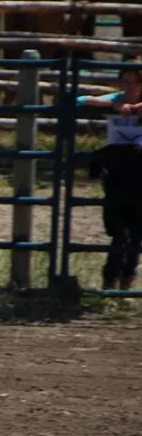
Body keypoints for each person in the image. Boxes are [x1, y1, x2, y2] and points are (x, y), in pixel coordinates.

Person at [78, 62, 142, 291]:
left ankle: (120, 278)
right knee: (121, 227)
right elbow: (81, 101)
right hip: (120, 169)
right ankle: (116, 278)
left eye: (135, 82)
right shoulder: (118, 98)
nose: (130, 86)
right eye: (126, 81)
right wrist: (116, 105)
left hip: (137, 169)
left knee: (135, 229)